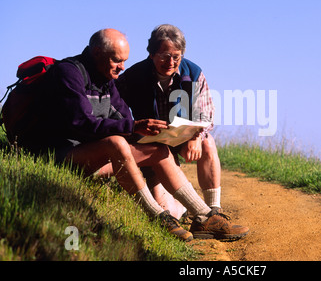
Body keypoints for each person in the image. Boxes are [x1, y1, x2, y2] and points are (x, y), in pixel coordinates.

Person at [21, 28, 249, 241]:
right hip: (61, 155)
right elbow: (81, 123)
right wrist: (132, 127)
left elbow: (123, 117)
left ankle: (204, 217)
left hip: (98, 157)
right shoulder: (69, 73)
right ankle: (159, 218)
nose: (121, 67)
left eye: (124, 62)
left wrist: (145, 130)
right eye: (117, 60)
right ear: (97, 53)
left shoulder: (108, 78)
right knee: (116, 142)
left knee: (157, 150)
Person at [115, 24, 224, 221]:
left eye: (176, 56)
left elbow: (206, 113)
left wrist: (196, 136)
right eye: (164, 56)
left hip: (182, 138)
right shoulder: (132, 76)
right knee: (171, 213)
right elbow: (114, 109)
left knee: (208, 142)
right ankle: (182, 206)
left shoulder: (194, 72)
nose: (171, 62)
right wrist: (133, 127)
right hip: (150, 144)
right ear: (152, 54)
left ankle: (213, 211)